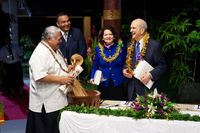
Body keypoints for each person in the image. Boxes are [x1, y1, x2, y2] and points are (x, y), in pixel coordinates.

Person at [25, 26, 75, 133]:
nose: (61, 41)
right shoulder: (40, 53)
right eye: (59, 39)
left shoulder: (53, 48)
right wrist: (62, 80)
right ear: (49, 39)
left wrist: (67, 68)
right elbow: (40, 76)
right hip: (46, 103)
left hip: (57, 99)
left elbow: (56, 66)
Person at [123, 18, 167, 101]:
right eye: (130, 28)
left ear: (142, 30)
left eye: (133, 28)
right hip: (131, 88)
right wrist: (125, 70)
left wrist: (150, 75)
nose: (130, 30)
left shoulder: (154, 45)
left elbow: (162, 66)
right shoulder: (130, 45)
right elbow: (127, 63)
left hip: (147, 90)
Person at [90, 26, 127, 100]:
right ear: (102, 37)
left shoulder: (121, 47)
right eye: (105, 35)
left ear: (114, 36)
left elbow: (126, 63)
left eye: (110, 34)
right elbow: (95, 66)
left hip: (118, 82)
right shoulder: (98, 49)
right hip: (103, 82)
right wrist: (92, 77)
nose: (108, 36)